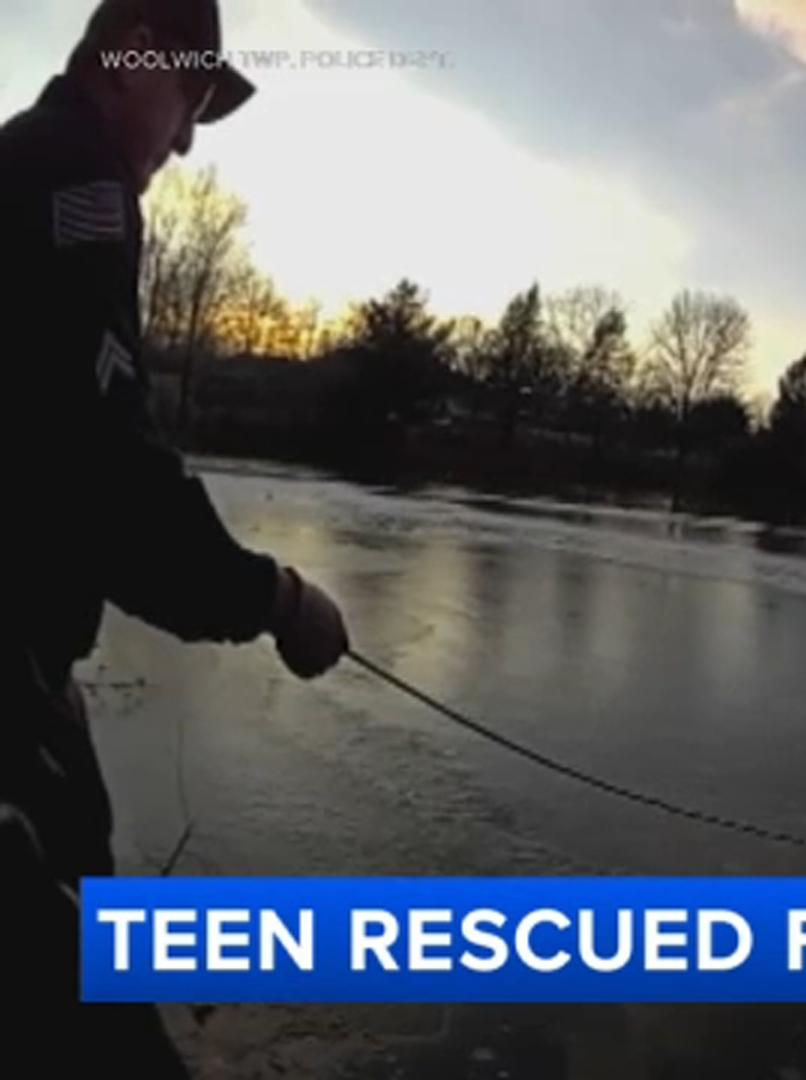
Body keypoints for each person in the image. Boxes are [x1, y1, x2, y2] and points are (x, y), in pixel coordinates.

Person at [0, 0, 350, 1067]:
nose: (189, 137)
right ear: (125, 59)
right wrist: (278, 601)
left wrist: (45, 658)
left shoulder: (25, 161)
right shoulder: (80, 182)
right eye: (188, 98)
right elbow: (109, 480)